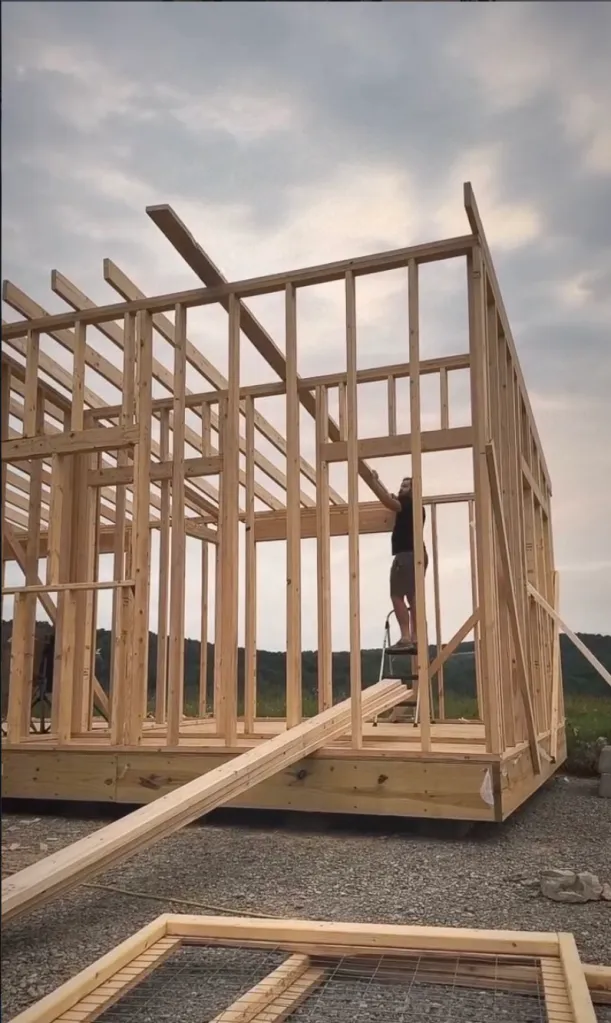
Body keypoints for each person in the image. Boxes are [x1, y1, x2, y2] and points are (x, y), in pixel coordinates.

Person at [369, 472, 428, 652]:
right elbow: (392, 500)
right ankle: (417, 638)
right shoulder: (418, 507)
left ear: (412, 491)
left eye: (405, 487)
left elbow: (388, 502)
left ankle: (405, 637)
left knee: (396, 595)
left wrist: (374, 482)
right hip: (418, 555)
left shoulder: (407, 503)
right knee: (413, 597)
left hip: (405, 556)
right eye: (401, 486)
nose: (401, 489)